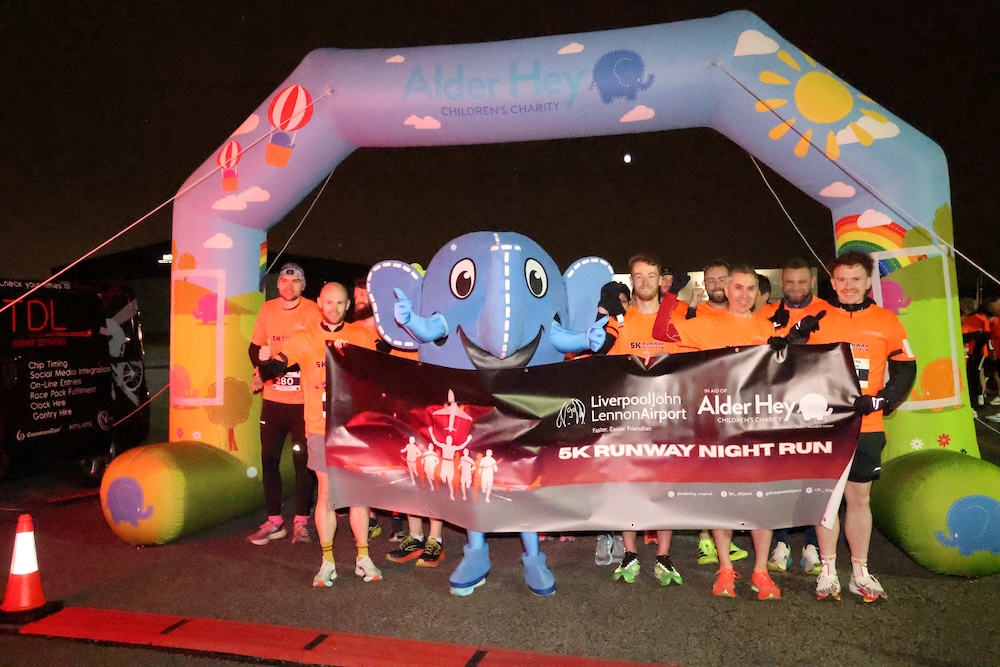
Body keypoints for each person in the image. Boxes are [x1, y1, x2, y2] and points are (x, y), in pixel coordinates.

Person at [654, 264, 821, 600]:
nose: (743, 295)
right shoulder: (704, 325)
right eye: (737, 288)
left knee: (762, 501)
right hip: (718, 430)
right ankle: (726, 569)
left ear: (759, 293)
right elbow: (661, 331)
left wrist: (791, 345)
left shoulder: (768, 328)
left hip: (760, 429)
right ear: (727, 290)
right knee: (723, 500)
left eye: (749, 289)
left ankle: (760, 571)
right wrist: (671, 293)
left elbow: (795, 376)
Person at [257, 282, 383, 587]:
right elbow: (279, 364)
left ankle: (363, 558)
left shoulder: (360, 336)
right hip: (318, 428)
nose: (334, 309)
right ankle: (327, 562)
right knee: (326, 494)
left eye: (340, 303)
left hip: (353, 430)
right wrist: (266, 364)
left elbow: (384, 368)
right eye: (328, 303)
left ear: (348, 305)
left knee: (358, 495)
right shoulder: (306, 338)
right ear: (319, 304)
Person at [810, 251, 916, 602]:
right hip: (826, 426)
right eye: (841, 280)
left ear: (869, 282)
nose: (848, 286)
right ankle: (827, 571)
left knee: (859, 499)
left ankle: (859, 571)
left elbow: (905, 369)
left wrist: (884, 399)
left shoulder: (887, 321)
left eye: (855, 279)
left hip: (867, 424)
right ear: (832, 282)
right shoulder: (819, 317)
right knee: (826, 501)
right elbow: (793, 367)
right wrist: (792, 337)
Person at [600, 253, 687, 586]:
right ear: (632, 281)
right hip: (629, 420)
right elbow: (601, 363)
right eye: (639, 276)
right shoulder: (623, 321)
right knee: (628, 488)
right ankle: (630, 552)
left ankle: (664, 556)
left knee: (665, 489)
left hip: (667, 420)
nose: (645, 282)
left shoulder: (675, 318)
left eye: (651, 275)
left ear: (660, 279)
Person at [757, 259, 830, 574]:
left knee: (815, 478)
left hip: (818, 408)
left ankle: (813, 545)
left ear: (811, 283)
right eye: (790, 283)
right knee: (780, 476)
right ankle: (781, 544)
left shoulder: (830, 312)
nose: (796, 288)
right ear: (781, 283)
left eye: (802, 282)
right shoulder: (767, 313)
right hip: (778, 409)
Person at [247, 263, 322, 546]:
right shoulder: (268, 310)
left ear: (303, 286)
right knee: (269, 459)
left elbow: (318, 349)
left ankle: (301, 520)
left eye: (295, 282)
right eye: (284, 282)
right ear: (277, 286)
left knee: (303, 461)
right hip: (273, 401)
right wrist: (260, 362)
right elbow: (253, 347)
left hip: (303, 402)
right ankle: (274, 520)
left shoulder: (313, 311)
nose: (288, 287)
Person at [960, 297, 990, 408]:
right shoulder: (981, 317)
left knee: (974, 375)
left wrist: (976, 351)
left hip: (977, 352)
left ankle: (978, 399)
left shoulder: (975, 318)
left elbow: (982, 335)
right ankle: (980, 397)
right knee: (976, 374)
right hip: (977, 351)